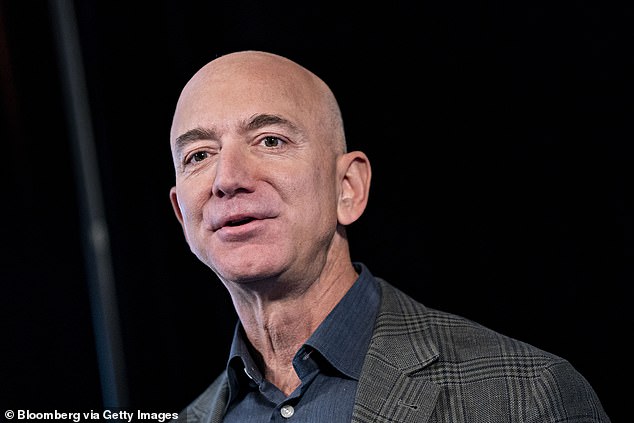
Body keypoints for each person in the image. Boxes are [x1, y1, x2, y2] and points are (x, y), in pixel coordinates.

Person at [167, 50, 610, 422]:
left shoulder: (524, 396)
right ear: (182, 214)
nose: (228, 178)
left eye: (270, 141)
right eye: (199, 154)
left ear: (348, 188)